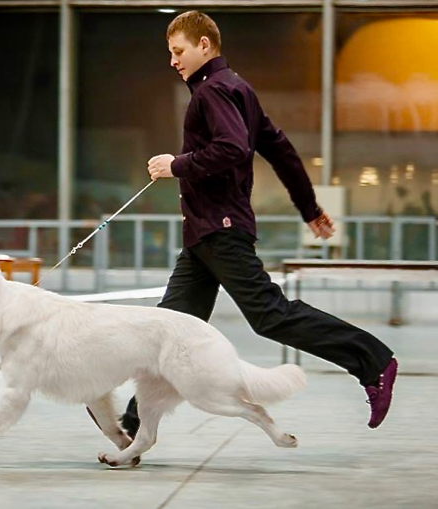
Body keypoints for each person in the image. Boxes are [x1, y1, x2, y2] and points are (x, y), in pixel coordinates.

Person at [118, 10, 398, 438]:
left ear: (204, 46)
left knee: (270, 316)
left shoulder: (211, 93)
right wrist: (308, 207)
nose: (173, 61)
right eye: (171, 53)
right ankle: (131, 424)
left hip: (219, 229)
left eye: (179, 51)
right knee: (171, 327)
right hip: (204, 235)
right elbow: (281, 150)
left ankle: (374, 360)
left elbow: (231, 148)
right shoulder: (238, 89)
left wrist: (177, 165)